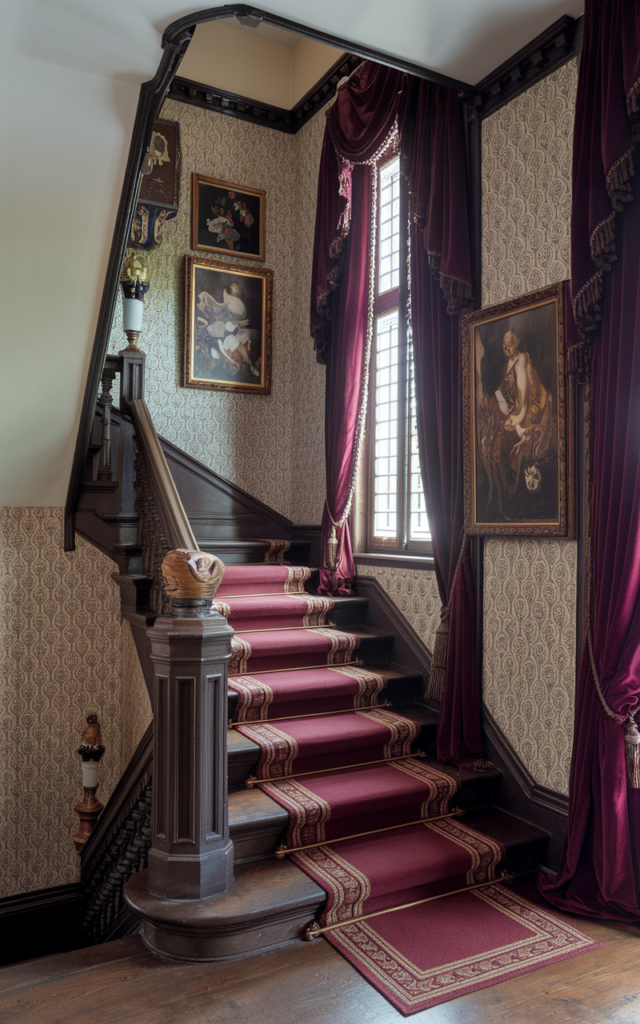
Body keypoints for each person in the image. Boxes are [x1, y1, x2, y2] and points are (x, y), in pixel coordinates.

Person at [476, 329, 554, 518]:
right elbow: (506, 391)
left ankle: (510, 486)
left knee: (508, 427)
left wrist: (518, 420)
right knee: (495, 408)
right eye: (504, 345)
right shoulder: (509, 363)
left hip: (533, 406)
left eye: (509, 344)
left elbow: (524, 394)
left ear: (517, 342)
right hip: (516, 406)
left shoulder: (522, 360)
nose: (506, 348)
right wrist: (504, 407)